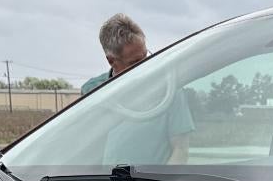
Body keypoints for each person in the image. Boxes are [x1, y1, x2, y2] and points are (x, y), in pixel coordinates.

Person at [82, 13, 193, 164]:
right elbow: (83, 150)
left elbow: (180, 151)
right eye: (135, 62)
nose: (145, 66)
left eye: (145, 57)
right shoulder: (92, 91)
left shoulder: (169, 89)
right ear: (111, 61)